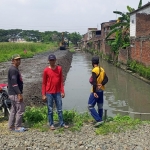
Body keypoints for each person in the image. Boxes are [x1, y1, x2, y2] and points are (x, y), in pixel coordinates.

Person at [42, 54, 68, 130]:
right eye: (50, 60)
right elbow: (44, 83)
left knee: (59, 109)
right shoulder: (46, 70)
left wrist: (62, 91)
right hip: (49, 92)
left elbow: (61, 81)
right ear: (48, 61)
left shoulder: (59, 69)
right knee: (50, 109)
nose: (52, 61)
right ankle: (51, 124)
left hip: (57, 92)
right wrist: (43, 94)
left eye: (53, 60)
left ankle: (62, 123)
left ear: (55, 60)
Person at [8, 54, 27, 132]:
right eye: (17, 60)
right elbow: (14, 83)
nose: (19, 61)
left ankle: (11, 126)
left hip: (12, 93)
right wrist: (19, 94)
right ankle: (17, 127)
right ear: (13, 61)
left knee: (13, 110)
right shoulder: (13, 70)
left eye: (19, 59)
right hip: (15, 94)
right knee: (20, 109)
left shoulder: (15, 69)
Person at [88, 56, 108, 127]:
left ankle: (99, 120)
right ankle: (100, 119)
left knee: (90, 106)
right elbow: (106, 79)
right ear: (98, 62)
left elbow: (94, 82)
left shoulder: (94, 70)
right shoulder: (102, 69)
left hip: (95, 90)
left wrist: (94, 92)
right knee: (100, 106)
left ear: (93, 63)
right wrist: (101, 84)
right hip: (101, 90)